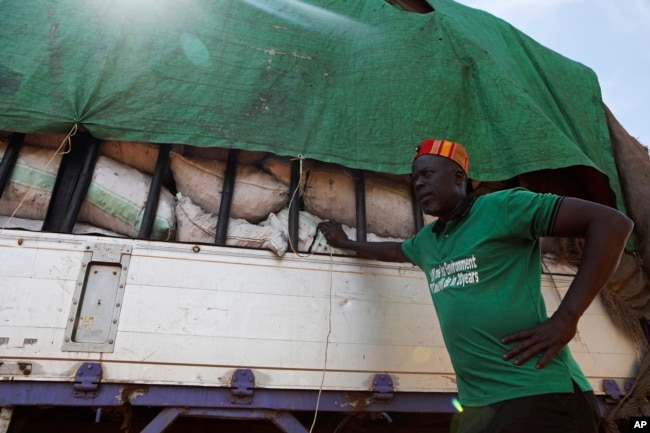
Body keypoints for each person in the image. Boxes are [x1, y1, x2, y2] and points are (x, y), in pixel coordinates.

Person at [317, 138, 634, 433]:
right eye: (414, 179)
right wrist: (345, 241)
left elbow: (611, 223)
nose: (418, 184)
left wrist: (567, 319)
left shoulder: (503, 208)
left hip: (539, 394)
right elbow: (393, 250)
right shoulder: (429, 241)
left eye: (427, 174)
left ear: (458, 177)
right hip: (479, 406)